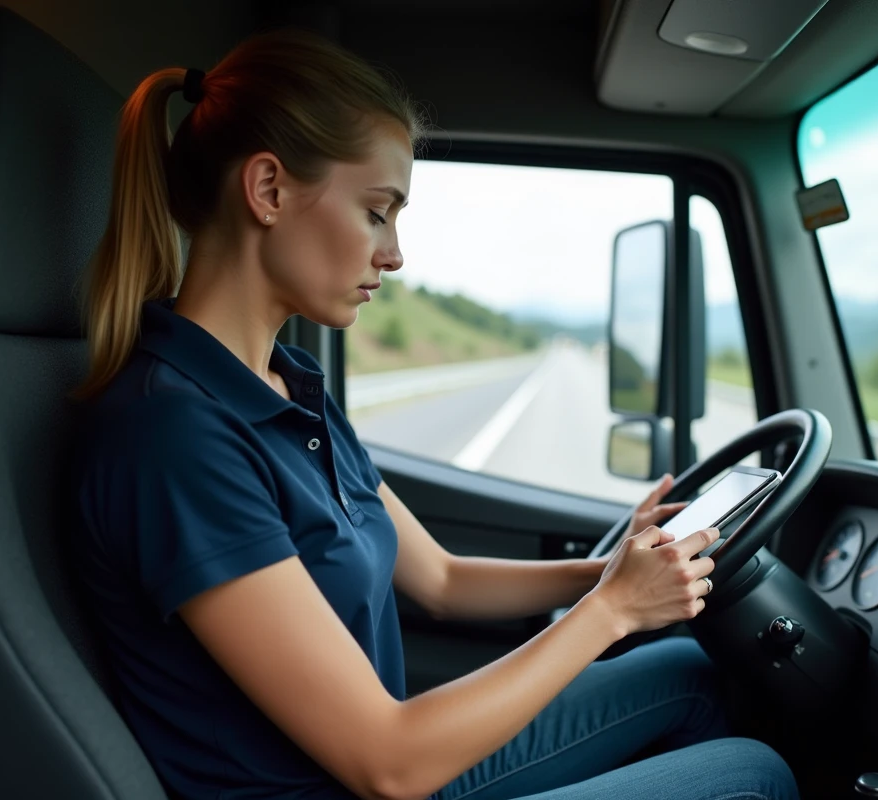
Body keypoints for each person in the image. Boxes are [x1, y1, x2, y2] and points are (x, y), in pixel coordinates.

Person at [71, 27, 799, 800]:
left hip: (386, 765)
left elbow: (443, 580)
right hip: (369, 777)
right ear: (269, 190)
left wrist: (617, 573)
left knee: (687, 673)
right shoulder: (175, 438)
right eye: (378, 212)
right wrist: (612, 611)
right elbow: (389, 763)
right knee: (755, 778)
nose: (394, 253)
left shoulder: (287, 385)